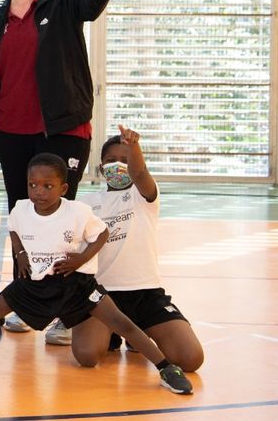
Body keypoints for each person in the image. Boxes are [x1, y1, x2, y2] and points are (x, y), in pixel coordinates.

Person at [0, 154, 194, 396]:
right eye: (33, 185)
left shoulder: (77, 212)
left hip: (75, 284)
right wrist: (20, 255)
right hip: (34, 283)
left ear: (63, 189)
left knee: (122, 323)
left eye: (47, 186)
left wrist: (80, 259)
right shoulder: (21, 208)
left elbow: (101, 234)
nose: (39, 192)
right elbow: (14, 228)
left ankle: (166, 368)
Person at [0, 0, 114, 335]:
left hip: (61, 130)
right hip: (10, 131)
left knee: (61, 216)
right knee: (24, 217)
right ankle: (26, 300)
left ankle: (70, 313)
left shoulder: (62, 4)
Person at [73, 126, 204, 372]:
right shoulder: (86, 203)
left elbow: (139, 171)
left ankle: (140, 330)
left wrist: (134, 146)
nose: (118, 165)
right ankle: (109, 332)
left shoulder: (143, 196)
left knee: (190, 358)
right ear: (101, 168)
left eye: (125, 160)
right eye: (111, 161)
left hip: (145, 294)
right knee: (87, 355)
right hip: (101, 294)